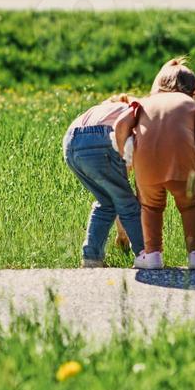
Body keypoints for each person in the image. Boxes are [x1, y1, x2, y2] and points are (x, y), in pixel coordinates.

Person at [129, 58, 195, 271]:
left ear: (158, 86)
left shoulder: (143, 103)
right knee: (190, 205)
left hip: (147, 168)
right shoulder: (194, 106)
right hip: (183, 166)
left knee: (150, 207)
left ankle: (152, 255)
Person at [63, 94, 144, 268]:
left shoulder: (100, 109)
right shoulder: (132, 110)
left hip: (70, 141)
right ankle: (145, 255)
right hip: (100, 138)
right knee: (128, 203)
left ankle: (92, 257)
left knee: (106, 202)